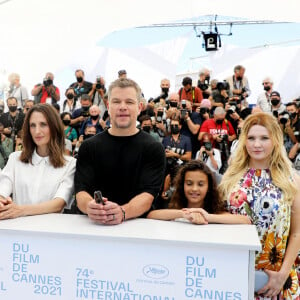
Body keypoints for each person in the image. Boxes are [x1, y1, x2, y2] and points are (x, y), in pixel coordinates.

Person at [219, 112, 300, 299]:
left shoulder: (292, 180)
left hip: (276, 280)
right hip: (234, 273)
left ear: (276, 141)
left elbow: (297, 232)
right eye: (251, 138)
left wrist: (282, 275)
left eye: (264, 138)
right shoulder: (230, 179)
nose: (256, 144)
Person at [75, 78, 166, 225]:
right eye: (116, 102)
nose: (122, 107)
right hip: (94, 228)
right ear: (108, 106)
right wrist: (89, 207)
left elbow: (148, 195)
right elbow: (81, 191)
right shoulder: (88, 147)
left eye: (129, 102)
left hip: (137, 228)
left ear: (140, 107)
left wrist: (123, 212)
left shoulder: (154, 148)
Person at [0, 104, 76, 219]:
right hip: (18, 231)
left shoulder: (70, 164)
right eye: (32, 125)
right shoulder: (15, 159)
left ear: (54, 126)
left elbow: (58, 204)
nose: (37, 131)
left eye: (43, 125)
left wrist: (20, 210)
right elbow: (3, 188)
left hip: (50, 231)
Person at [147, 160, 250, 224]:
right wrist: (184, 214)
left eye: (200, 184)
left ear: (208, 187)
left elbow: (245, 221)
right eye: (189, 183)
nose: (194, 189)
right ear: (182, 185)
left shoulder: (216, 212)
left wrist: (208, 217)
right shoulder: (175, 210)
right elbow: (151, 215)